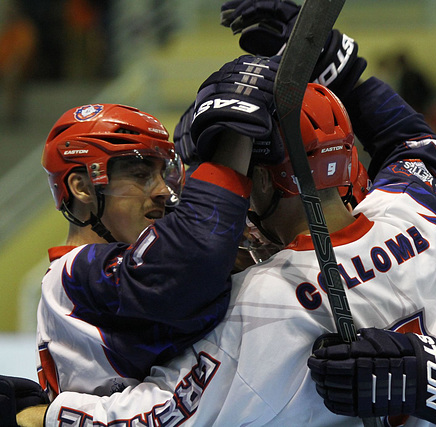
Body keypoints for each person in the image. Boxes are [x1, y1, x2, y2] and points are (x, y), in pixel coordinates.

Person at [18, 32, 436, 424]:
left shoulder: (258, 305)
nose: (166, 191)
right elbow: (414, 146)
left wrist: (43, 418)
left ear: (258, 183)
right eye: (141, 174)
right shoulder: (428, 215)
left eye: (167, 170)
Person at [35, 97, 269, 400]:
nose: (162, 191)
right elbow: (185, 270)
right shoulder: (71, 275)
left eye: (163, 175)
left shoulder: (100, 275)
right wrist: (226, 157)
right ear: (81, 187)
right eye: (140, 174)